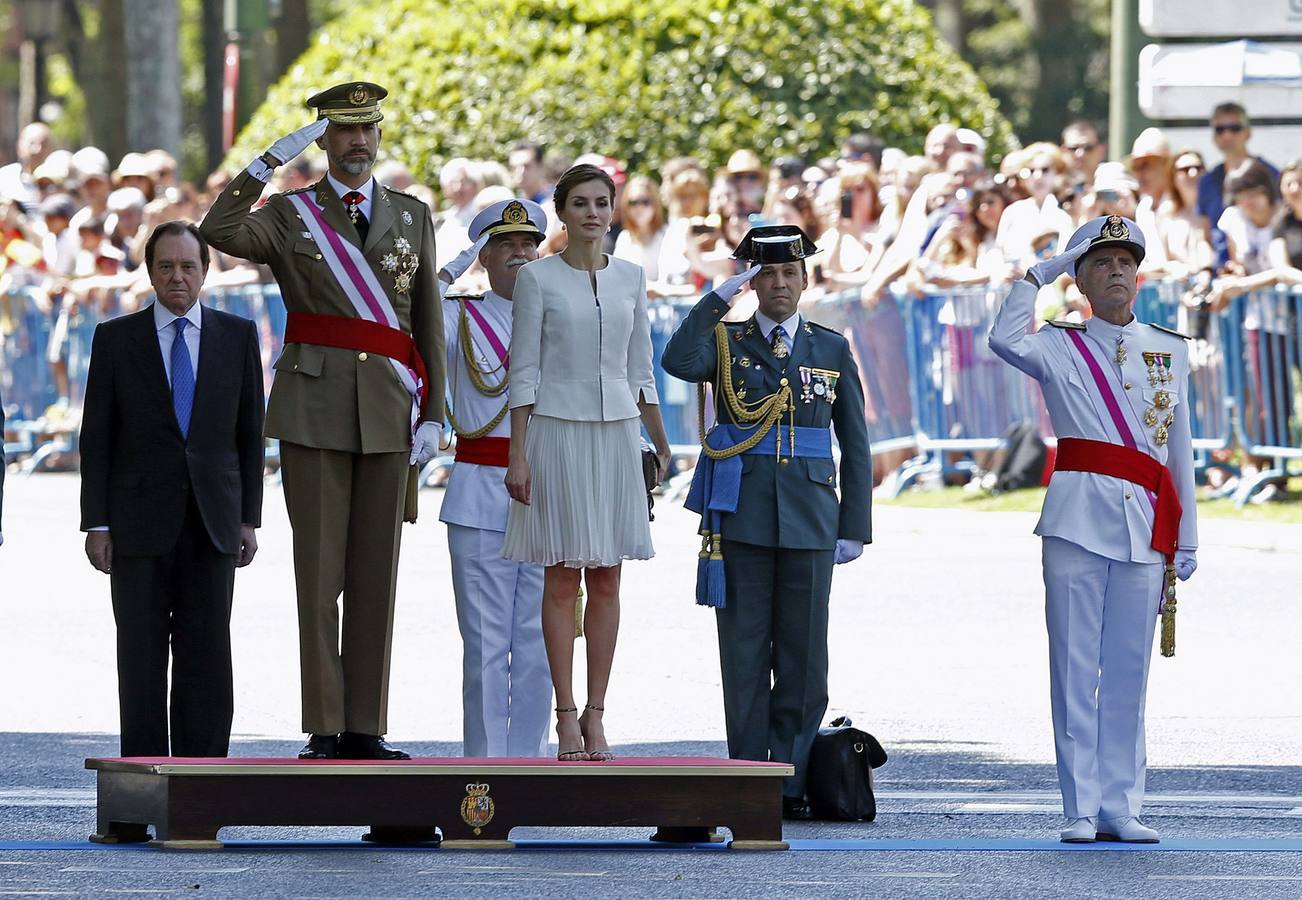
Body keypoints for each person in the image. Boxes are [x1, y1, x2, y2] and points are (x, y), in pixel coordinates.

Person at [200, 81, 446, 761]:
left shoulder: (412, 214)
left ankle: (366, 725)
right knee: (318, 576)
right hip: (314, 408)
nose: (357, 142)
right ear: (323, 140)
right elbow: (216, 231)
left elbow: (425, 317)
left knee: (376, 574)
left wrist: (436, 412)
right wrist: (267, 162)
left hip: (390, 409)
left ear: (379, 135)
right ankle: (324, 723)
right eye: (342, 131)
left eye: (367, 129)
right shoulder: (289, 213)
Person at [988, 215, 1198, 844]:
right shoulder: (1057, 343)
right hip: (1077, 517)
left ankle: (1121, 806)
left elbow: (1178, 449)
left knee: (1130, 668)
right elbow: (1002, 338)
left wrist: (1186, 535)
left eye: (1125, 262)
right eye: (1101, 262)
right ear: (1080, 278)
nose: (1115, 271)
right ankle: (1080, 807)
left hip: (1144, 519)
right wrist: (1041, 272)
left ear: (1139, 275)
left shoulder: (1170, 348)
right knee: (1075, 664)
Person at [661, 224, 873, 819]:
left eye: (789, 273)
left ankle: (792, 779)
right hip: (743, 514)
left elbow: (854, 441)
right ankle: (749, 775)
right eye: (767, 274)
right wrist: (715, 300)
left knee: (804, 658)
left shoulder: (830, 347)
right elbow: (677, 360)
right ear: (752, 282)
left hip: (810, 515)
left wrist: (854, 523)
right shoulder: (727, 342)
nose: (779, 284)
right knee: (745, 654)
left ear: (805, 279)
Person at [502, 163, 672, 762]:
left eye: (603, 203)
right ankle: (565, 716)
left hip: (619, 434)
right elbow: (522, 371)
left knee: (608, 577)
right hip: (555, 431)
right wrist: (517, 452)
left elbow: (641, 365)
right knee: (559, 577)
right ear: (563, 212)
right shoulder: (537, 279)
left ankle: (598, 716)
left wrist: (660, 437)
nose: (594, 214)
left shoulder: (630, 277)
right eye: (581, 204)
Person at [79, 221, 265, 760]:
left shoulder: (236, 336)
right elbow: (98, 438)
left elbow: (248, 434)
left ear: (206, 271)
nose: (177, 277)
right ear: (150, 273)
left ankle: (202, 789)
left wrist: (248, 518)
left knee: (206, 657)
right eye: (166, 266)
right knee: (139, 660)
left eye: (188, 266)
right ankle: (138, 791)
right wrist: (98, 523)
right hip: (137, 525)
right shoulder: (115, 340)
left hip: (213, 522)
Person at [438, 198, 552, 757]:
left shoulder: (559, 315)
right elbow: (408, 304)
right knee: (484, 641)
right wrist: (454, 264)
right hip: (480, 487)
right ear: (484, 255)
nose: (520, 254)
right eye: (505, 245)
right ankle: (483, 771)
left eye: (528, 243)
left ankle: (528, 764)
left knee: (538, 641)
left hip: (548, 491)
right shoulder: (460, 315)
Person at [1197, 102, 1278, 269]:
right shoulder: (1207, 181)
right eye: (1220, 129)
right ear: (1214, 137)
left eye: (1234, 128)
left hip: (1264, 273)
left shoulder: (1270, 174)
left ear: (1248, 133)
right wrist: (1205, 269)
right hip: (1222, 276)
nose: (1227, 135)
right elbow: (1204, 235)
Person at [1060, 119, 1106, 185]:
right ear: (1063, 151)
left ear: (1101, 151)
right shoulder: (1048, 188)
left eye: (1087, 148)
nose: (1080, 154)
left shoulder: (1113, 185)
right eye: (1073, 148)